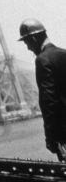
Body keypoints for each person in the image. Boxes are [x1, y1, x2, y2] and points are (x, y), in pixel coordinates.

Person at [18, 19, 66, 161]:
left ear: (33, 38)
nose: (28, 48)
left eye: (27, 43)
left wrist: (51, 136)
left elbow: (48, 101)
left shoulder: (42, 60)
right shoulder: (64, 53)